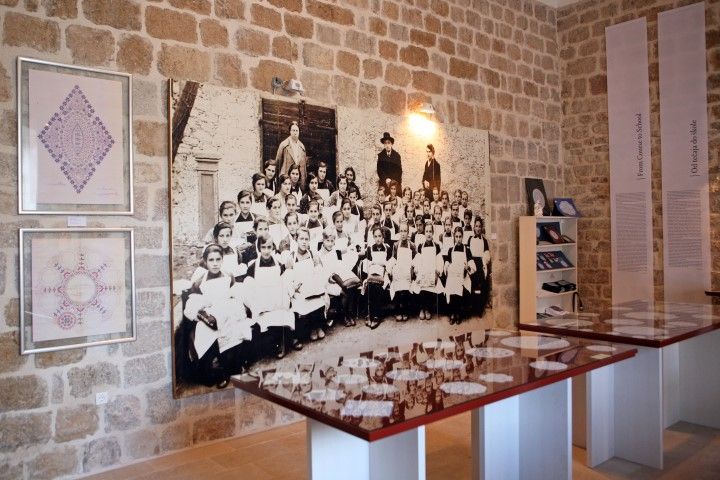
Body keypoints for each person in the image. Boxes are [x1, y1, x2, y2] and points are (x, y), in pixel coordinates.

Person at [276, 121, 308, 190]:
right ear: (290, 131)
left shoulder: (302, 147)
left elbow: (304, 168)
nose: (295, 132)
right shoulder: (284, 145)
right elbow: (278, 163)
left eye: (297, 131)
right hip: (286, 178)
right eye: (293, 130)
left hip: (298, 180)